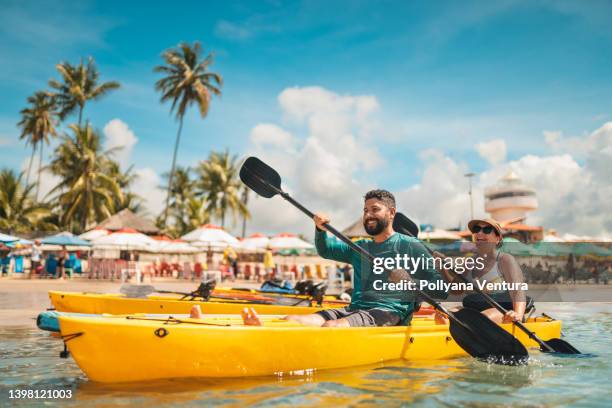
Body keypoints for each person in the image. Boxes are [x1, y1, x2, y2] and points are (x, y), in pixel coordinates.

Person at [191, 189, 447, 327]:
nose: (368, 214)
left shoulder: (410, 246)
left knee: (333, 328)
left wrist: (410, 283)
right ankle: (260, 331)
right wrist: (320, 230)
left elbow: (441, 290)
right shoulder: (359, 247)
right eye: (365, 210)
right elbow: (326, 250)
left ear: (391, 213)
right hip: (355, 309)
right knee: (297, 319)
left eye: (375, 209)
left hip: (388, 312)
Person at [435, 218, 527, 325]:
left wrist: (518, 314)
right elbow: (456, 290)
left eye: (487, 230)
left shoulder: (505, 260)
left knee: (483, 318)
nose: (479, 233)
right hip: (475, 311)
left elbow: (518, 292)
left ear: (497, 238)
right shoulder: (469, 262)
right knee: (443, 315)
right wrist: (442, 267)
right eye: (476, 229)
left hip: (504, 312)